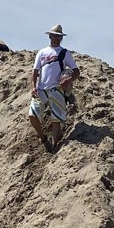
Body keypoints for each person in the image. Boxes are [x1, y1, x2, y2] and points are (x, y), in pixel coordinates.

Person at [28, 24, 80, 152]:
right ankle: (42, 137)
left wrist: (68, 80)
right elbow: (35, 71)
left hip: (57, 89)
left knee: (56, 118)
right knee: (32, 115)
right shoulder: (42, 52)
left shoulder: (65, 53)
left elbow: (76, 71)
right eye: (55, 35)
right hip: (41, 89)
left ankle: (55, 145)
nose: (57, 38)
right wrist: (33, 87)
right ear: (50, 36)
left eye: (59, 36)